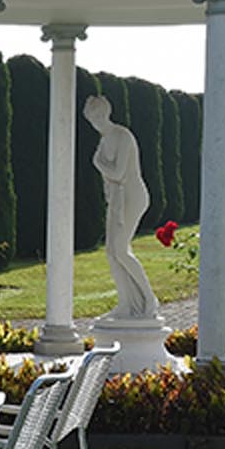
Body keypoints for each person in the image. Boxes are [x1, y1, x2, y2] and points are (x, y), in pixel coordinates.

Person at [84, 93, 157, 320]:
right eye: (92, 119)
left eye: (98, 117)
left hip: (133, 196)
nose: (96, 123)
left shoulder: (122, 135)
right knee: (111, 251)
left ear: (106, 113)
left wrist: (97, 163)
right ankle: (126, 304)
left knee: (120, 249)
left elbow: (117, 173)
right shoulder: (104, 140)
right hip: (117, 199)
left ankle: (149, 298)